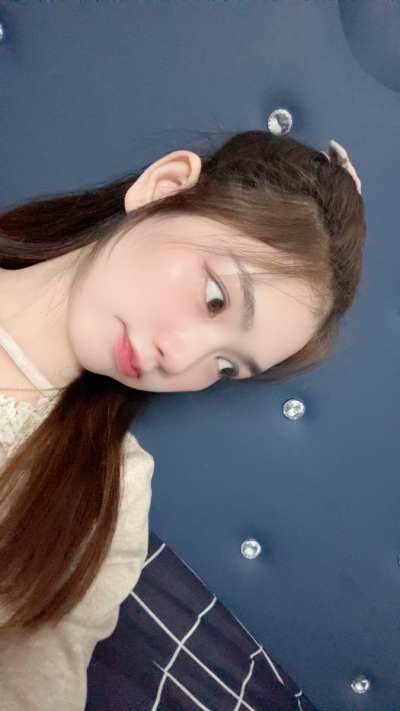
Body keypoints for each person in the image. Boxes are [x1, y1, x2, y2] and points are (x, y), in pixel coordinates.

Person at [0, 131, 365, 710]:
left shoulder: (106, 496)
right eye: (216, 298)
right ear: (163, 187)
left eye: (225, 366)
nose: (181, 359)